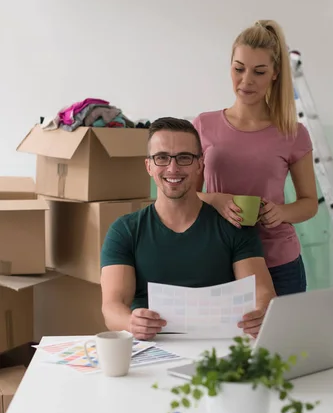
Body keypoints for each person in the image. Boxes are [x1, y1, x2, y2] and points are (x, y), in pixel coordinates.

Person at [100, 117, 276, 341]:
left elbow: (261, 291)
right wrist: (131, 322)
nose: (173, 168)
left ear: (199, 164)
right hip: (151, 347)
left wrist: (261, 312)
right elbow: (113, 306)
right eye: (162, 158)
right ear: (149, 166)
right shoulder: (125, 230)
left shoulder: (234, 225)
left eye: (184, 158)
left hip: (221, 348)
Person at [193, 19, 318, 296]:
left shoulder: (293, 133)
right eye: (239, 69)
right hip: (217, 259)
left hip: (279, 263)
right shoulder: (203, 125)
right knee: (223, 341)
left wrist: (281, 212)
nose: (246, 81)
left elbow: (309, 203)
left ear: (274, 74)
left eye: (259, 72)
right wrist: (215, 199)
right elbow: (183, 196)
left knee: (281, 341)